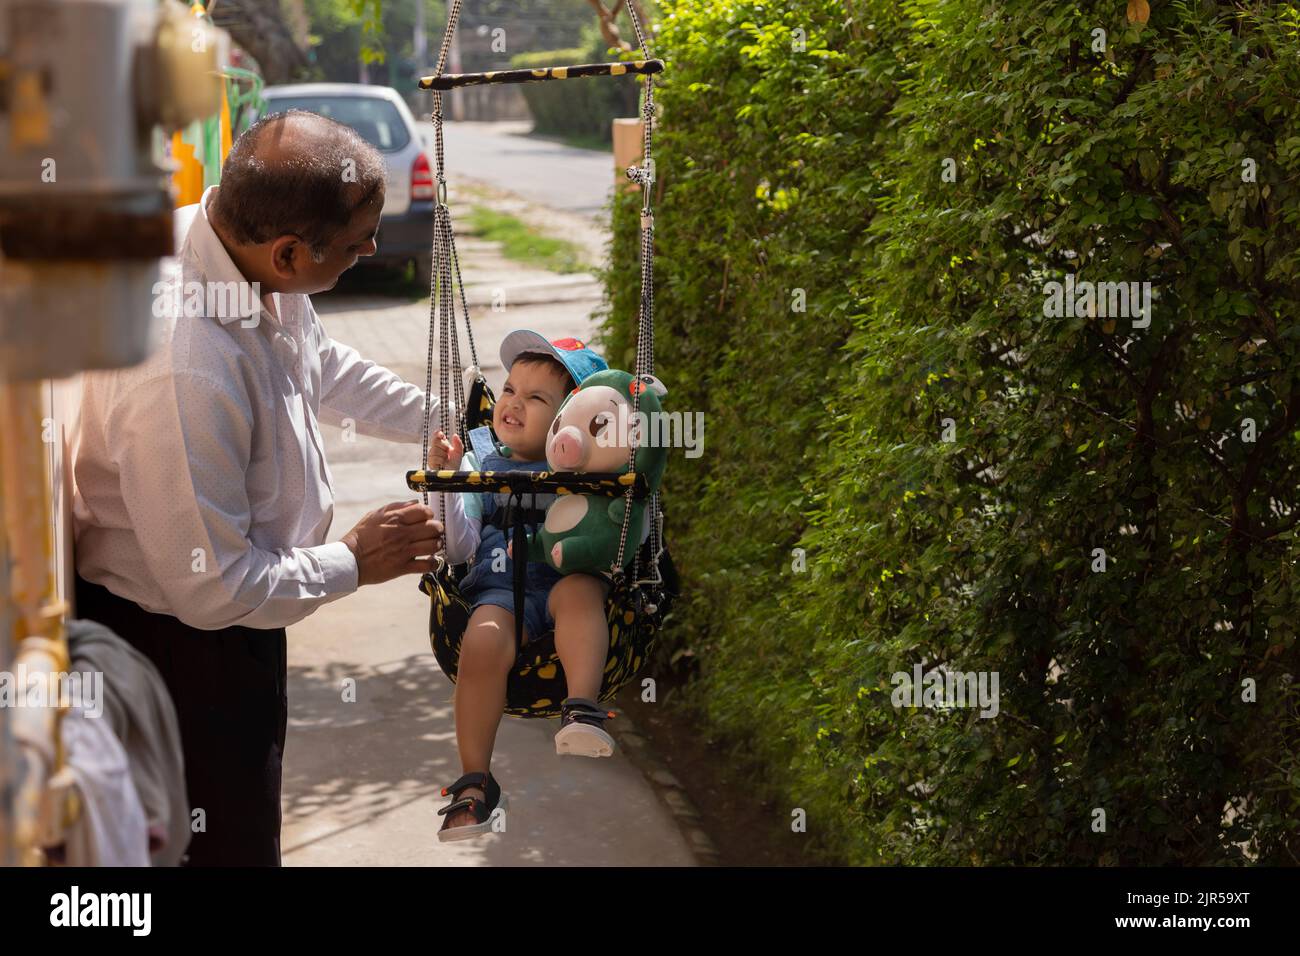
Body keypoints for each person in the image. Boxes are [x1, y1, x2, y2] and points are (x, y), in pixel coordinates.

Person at [72, 110, 444, 866]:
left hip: (231, 628)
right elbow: (215, 588)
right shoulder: (186, 363)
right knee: (224, 846)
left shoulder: (234, 249)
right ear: (287, 252)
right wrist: (354, 561)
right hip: (185, 649)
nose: (372, 249)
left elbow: (321, 363)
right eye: (355, 244)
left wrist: (449, 416)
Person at [426, 330, 619, 840]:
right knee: (483, 640)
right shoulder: (481, 459)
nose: (513, 403)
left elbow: (621, 519)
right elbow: (459, 545)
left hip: (563, 576)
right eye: (510, 389)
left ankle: (581, 708)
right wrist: (445, 479)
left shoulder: (584, 465)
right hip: (497, 586)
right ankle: (475, 781)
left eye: (537, 399)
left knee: (580, 594)